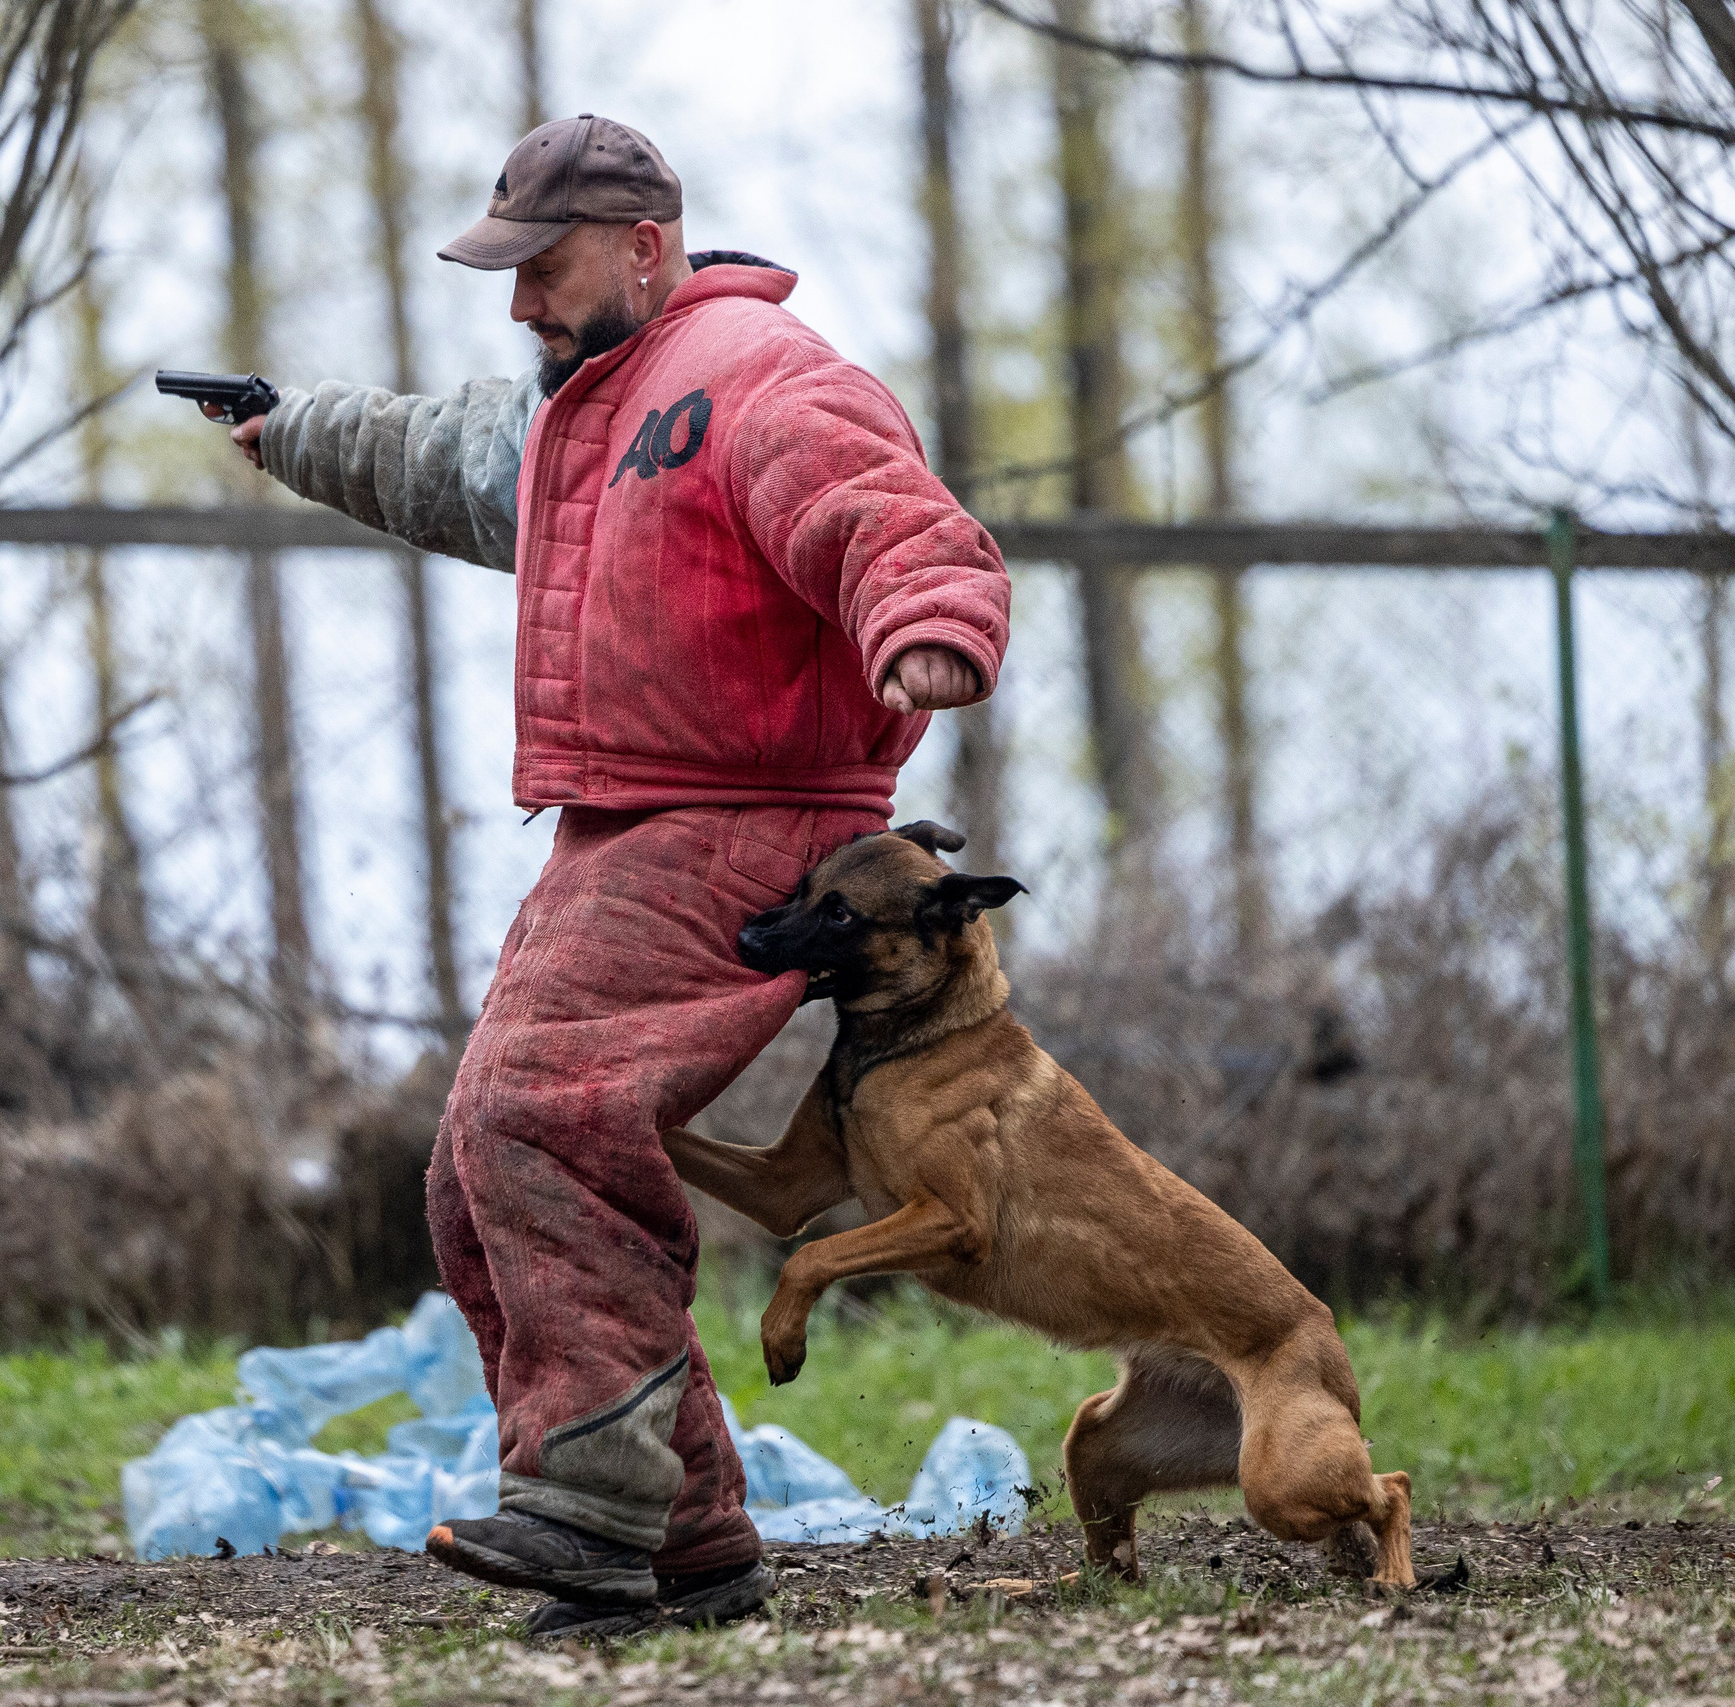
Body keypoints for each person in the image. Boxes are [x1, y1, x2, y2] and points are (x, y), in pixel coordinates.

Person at [214, 115, 1009, 1636]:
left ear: (647, 248)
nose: (519, 304)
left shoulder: (762, 379)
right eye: (507, 276)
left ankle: (591, 1505)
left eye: (544, 271)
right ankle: (684, 1539)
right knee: (471, 1171)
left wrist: (930, 620)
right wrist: (290, 428)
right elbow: (439, 457)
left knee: (542, 1117)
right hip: (623, 816)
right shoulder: (586, 408)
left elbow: (888, 510)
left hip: (751, 813)